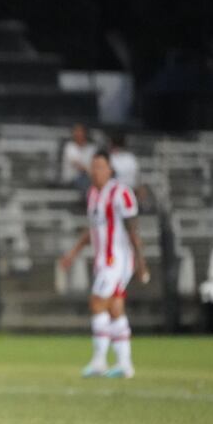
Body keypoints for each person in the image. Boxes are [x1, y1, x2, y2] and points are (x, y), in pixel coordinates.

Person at [60, 150, 148, 379]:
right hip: (102, 260)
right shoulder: (92, 194)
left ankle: (99, 361)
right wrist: (73, 252)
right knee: (115, 308)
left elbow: (133, 230)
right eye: (94, 166)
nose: (96, 171)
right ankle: (124, 364)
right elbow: (93, 229)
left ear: (110, 169)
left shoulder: (121, 193)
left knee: (97, 303)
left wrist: (141, 262)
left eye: (101, 166)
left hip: (116, 259)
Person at [60, 123, 94, 191]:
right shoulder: (69, 146)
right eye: (76, 131)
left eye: (80, 131)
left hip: (88, 178)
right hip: (71, 179)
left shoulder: (92, 148)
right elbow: (78, 165)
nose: (78, 134)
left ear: (85, 133)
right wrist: (89, 170)